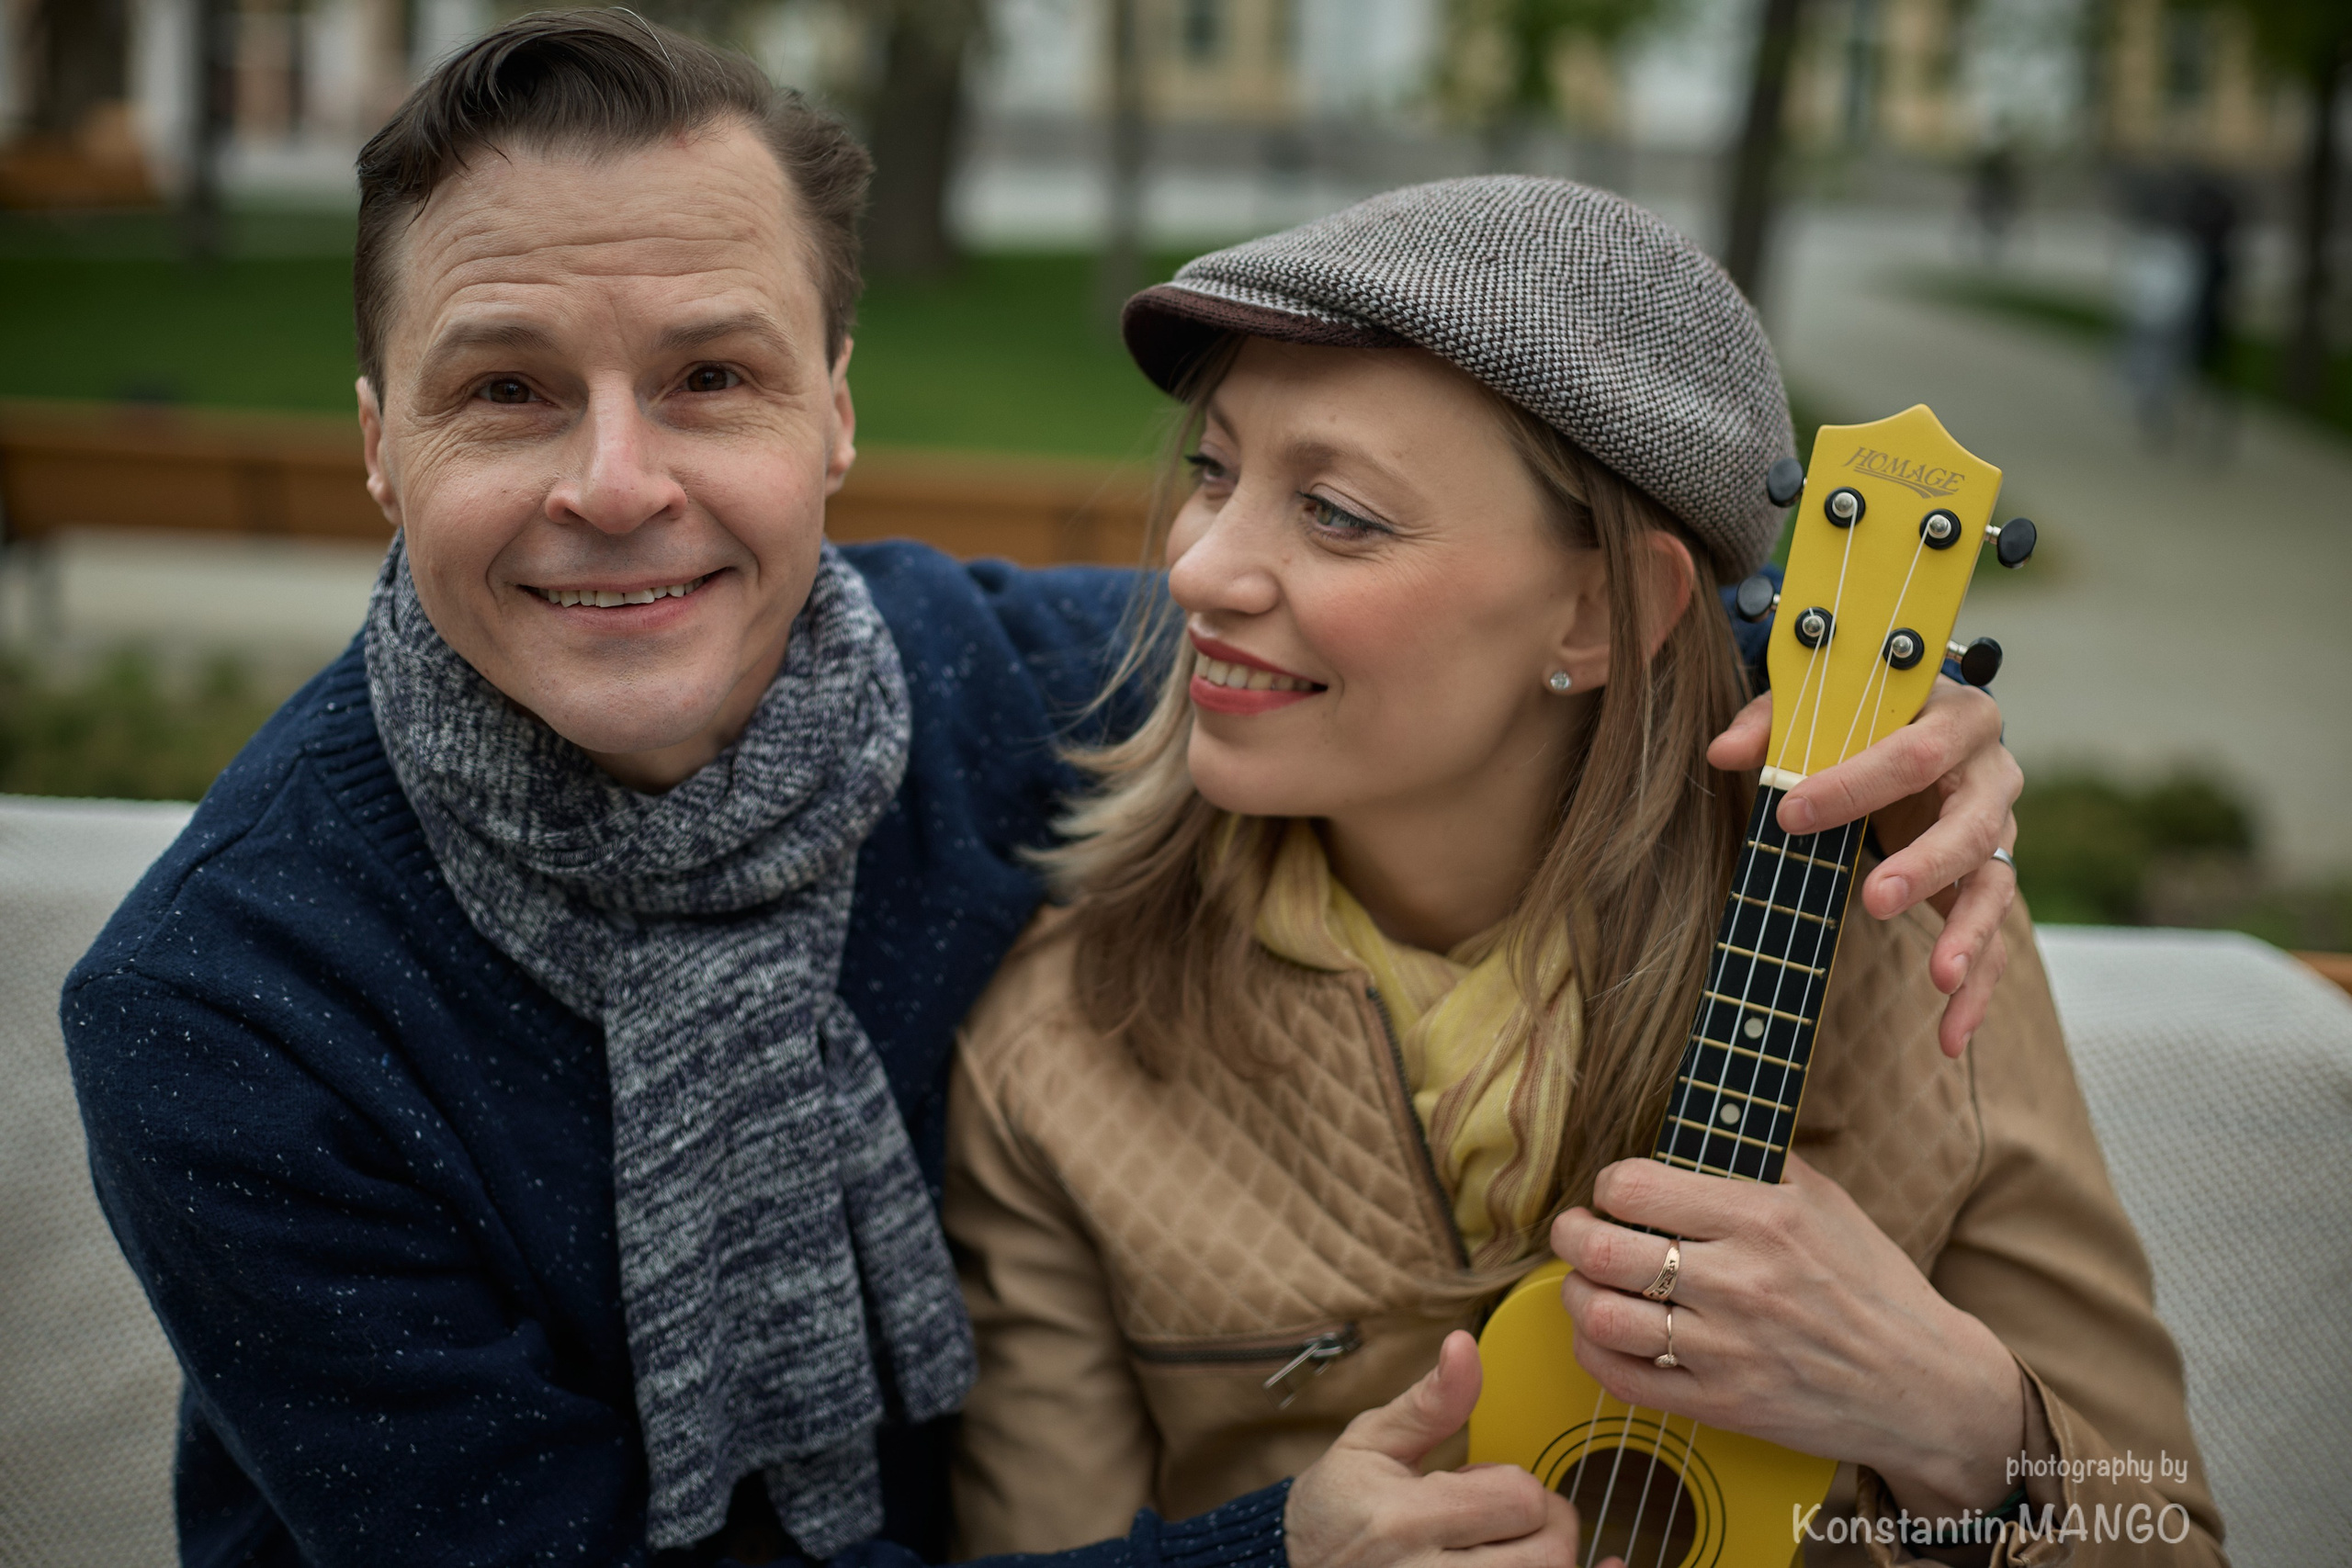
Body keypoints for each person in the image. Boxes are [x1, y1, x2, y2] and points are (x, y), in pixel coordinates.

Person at [60, 15, 2024, 1567]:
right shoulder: (227, 1006)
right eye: (503, 390)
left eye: (708, 378)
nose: (612, 480)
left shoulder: (1005, 689)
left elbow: (1433, 627)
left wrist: (1863, 700)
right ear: (378, 445)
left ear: (835, 406)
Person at [944, 181, 2223, 1565]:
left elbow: (2171, 1542)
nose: (1199, 566)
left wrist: (1969, 1423)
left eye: (1335, 512)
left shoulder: (1908, 940)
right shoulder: (1065, 1037)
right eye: (1213, 469)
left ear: (1604, 610)